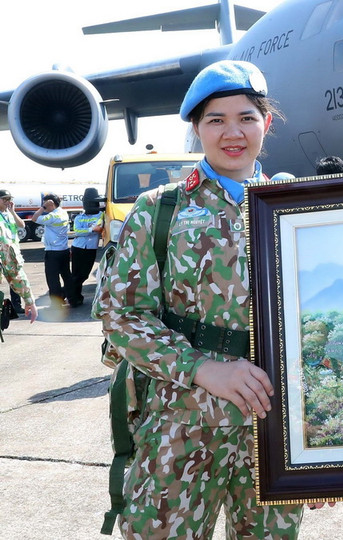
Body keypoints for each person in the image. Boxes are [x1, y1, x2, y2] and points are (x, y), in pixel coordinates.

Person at [94, 60, 303, 538]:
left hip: (272, 426)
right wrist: (202, 368)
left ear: (267, 123)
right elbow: (120, 316)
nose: (233, 132)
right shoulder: (159, 209)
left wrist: (326, 441)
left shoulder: (294, 207)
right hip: (180, 421)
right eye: (216, 120)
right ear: (196, 128)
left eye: (247, 118)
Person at [32, 193, 71, 308]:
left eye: (45, 205)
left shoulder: (52, 216)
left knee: (52, 278)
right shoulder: (63, 213)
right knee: (66, 276)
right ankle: (72, 297)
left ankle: (56, 303)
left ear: (51, 204)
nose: (44, 208)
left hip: (53, 251)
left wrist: (42, 208)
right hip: (63, 249)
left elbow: (34, 218)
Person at [68, 187, 103, 307]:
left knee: (84, 275)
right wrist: (92, 229)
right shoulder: (79, 217)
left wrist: (88, 230)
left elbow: (99, 228)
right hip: (77, 248)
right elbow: (77, 231)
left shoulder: (101, 215)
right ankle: (75, 298)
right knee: (76, 275)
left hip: (90, 249)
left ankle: (64, 293)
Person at [0, 189, 26, 313]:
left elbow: (22, 225)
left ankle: (17, 305)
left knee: (15, 280)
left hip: (12, 253)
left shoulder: (10, 214)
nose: (7, 201)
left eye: (9, 199)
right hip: (1, 253)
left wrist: (13, 212)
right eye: (4, 199)